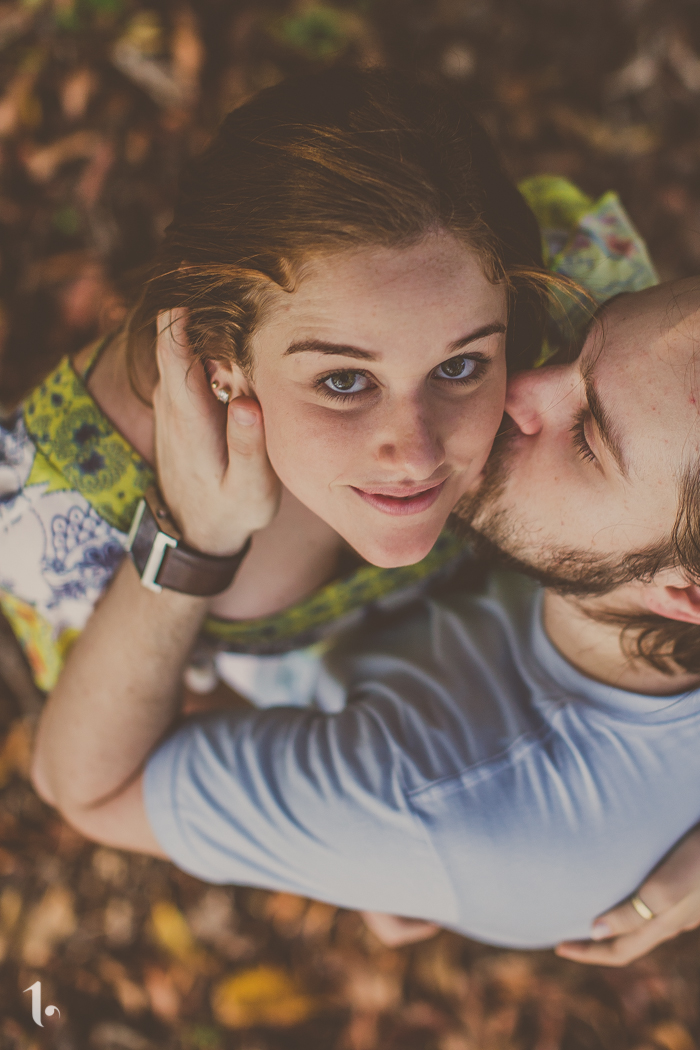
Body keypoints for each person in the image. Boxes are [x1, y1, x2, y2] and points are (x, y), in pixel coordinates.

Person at [30, 275, 700, 958]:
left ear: (685, 597)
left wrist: (192, 540)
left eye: (588, 438)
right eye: (585, 345)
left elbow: (86, 787)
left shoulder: (457, 809)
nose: (522, 388)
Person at [0, 66, 655, 715]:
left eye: (459, 368)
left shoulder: (559, 324)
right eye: (345, 381)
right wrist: (192, 547)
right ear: (217, 353)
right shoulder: (61, 514)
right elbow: (122, 753)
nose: (419, 455)